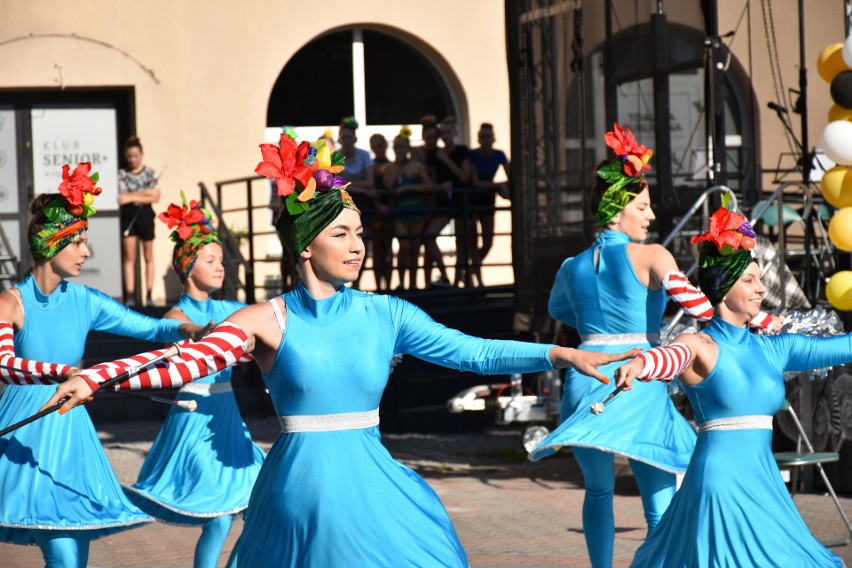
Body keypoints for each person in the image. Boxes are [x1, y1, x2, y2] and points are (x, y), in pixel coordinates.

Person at [48, 137, 638, 567]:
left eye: (359, 232)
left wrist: (558, 357)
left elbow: (474, 353)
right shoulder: (264, 319)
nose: (357, 245)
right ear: (305, 247)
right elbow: (184, 362)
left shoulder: (387, 313)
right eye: (341, 234)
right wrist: (97, 380)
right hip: (302, 491)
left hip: (372, 479)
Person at [526, 124, 776, 568]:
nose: (651, 216)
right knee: (658, 496)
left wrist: (597, 323)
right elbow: (701, 304)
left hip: (586, 379)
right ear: (617, 208)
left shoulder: (571, 266)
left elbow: (558, 309)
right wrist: (765, 320)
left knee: (599, 490)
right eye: (642, 205)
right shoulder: (653, 255)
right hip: (638, 378)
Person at [613, 206, 848, 567]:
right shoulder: (700, 346)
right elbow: (667, 358)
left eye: (760, 279)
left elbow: (842, 346)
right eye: (750, 281)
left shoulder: (775, 348)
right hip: (718, 484)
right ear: (724, 288)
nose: (761, 288)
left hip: (765, 483)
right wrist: (640, 364)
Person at [0, 163, 206, 568]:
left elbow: (147, 327)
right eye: (77, 242)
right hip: (25, 433)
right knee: (60, 548)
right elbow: (6, 365)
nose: (87, 252)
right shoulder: (11, 302)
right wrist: (61, 372)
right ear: (50, 245)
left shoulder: (86, 301)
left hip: (71, 431)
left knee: (76, 548)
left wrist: (192, 327)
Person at [123, 194, 265, 568]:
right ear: (187, 267)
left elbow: (268, 326)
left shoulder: (232, 310)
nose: (221, 267)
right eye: (211, 260)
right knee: (218, 519)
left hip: (228, 418)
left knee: (258, 508)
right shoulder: (176, 316)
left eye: (222, 260)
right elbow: (169, 360)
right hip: (195, 416)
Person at [384, 128, 435, 290]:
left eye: (402, 147)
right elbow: (388, 185)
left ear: (408, 148)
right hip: (399, 211)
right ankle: (400, 282)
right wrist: (398, 165)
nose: (400, 150)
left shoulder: (417, 166)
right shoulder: (389, 167)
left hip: (416, 210)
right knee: (404, 246)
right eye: (397, 147)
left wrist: (409, 189)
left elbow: (429, 186)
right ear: (393, 149)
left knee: (414, 246)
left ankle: (413, 283)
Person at [427, 115, 473, 287]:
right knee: (429, 235)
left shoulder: (462, 151)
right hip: (444, 204)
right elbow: (432, 180)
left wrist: (446, 160)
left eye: (448, 132)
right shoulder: (434, 155)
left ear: (454, 133)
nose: (445, 136)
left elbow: (465, 176)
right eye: (442, 133)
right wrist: (440, 186)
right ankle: (445, 276)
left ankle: (458, 281)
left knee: (462, 242)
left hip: (462, 202)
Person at [336, 116, 381, 290]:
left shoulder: (363, 154)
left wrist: (349, 184)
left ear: (355, 138)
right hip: (343, 205)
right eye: (344, 137)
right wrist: (362, 188)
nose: (347, 140)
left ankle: (357, 283)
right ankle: (342, 281)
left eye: (350, 137)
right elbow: (336, 184)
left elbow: (370, 182)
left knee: (363, 244)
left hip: (364, 205)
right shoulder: (335, 156)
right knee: (343, 243)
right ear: (340, 139)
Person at [118, 135, 161, 307]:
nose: (132, 159)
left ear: (141, 155)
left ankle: (149, 295)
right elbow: (122, 198)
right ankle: (130, 296)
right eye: (129, 156)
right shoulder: (122, 174)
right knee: (130, 257)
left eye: (135, 156)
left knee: (148, 255)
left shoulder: (149, 172)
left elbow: (156, 196)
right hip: (129, 216)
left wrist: (133, 196)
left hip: (145, 215)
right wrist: (146, 194)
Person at [469, 122, 510, 286]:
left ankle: (471, 270)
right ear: (478, 139)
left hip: (488, 200)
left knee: (488, 242)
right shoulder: (472, 155)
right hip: (472, 200)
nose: (486, 140)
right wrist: (499, 186)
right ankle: (478, 280)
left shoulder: (499, 154)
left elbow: (511, 178)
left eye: (488, 136)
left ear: (494, 139)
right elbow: (475, 183)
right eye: (483, 137)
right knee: (472, 242)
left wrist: (503, 187)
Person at [369, 132, 393, 291]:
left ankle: (389, 287)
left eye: (381, 144)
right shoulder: (369, 166)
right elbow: (370, 188)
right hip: (375, 212)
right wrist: (378, 205)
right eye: (375, 145)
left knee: (389, 251)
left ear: (386, 144)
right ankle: (379, 287)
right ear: (372, 148)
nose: (379, 148)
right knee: (377, 250)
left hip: (390, 211)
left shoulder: (392, 165)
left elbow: (392, 188)